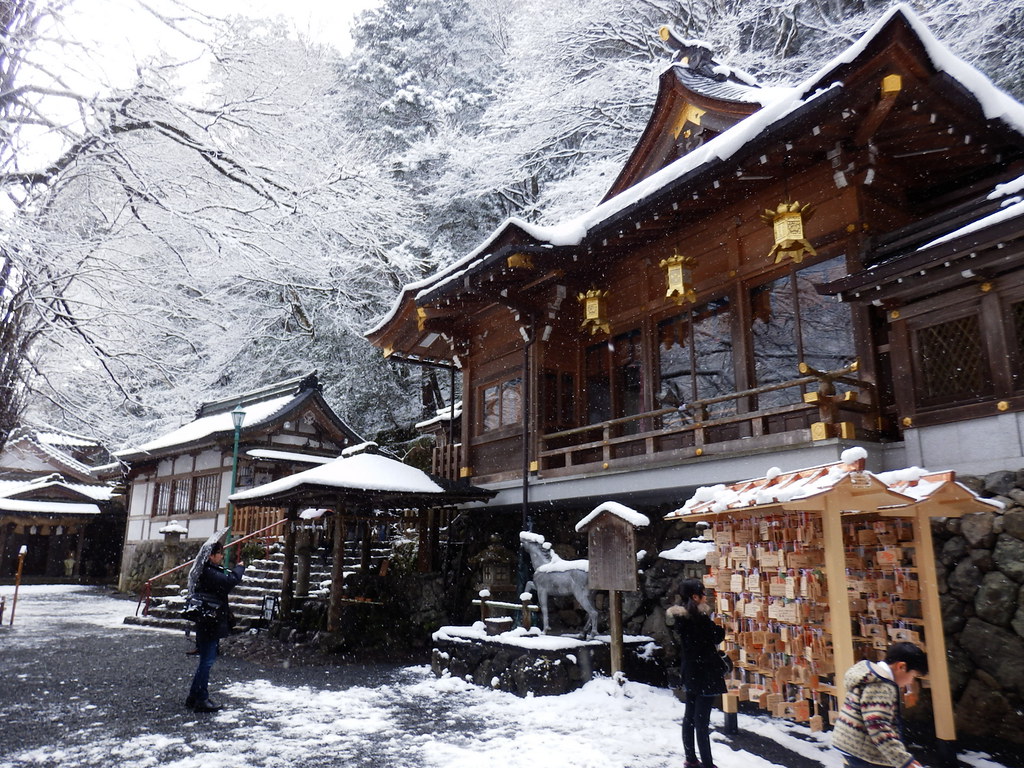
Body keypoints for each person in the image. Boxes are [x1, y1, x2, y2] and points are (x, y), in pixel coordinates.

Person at [831, 642, 929, 768]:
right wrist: (902, 759)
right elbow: (877, 725)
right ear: (901, 667)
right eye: (913, 676)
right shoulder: (882, 685)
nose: (911, 681)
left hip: (850, 742)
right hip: (864, 750)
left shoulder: (870, 675)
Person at [666, 578, 727, 768]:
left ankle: (691, 758)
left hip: (691, 671)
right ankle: (708, 764)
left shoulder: (681, 619)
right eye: (703, 594)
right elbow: (716, 636)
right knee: (702, 722)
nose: (706, 597)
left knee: (690, 717)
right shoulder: (700, 619)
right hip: (707, 673)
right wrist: (718, 625)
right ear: (695, 596)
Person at [186, 542, 245, 712]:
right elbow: (230, 581)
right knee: (207, 660)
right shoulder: (209, 572)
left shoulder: (206, 571)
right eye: (219, 553)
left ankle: (194, 695)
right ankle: (201, 698)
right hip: (210, 621)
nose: (221, 556)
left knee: (206, 659)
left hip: (207, 621)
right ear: (211, 556)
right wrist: (240, 568)